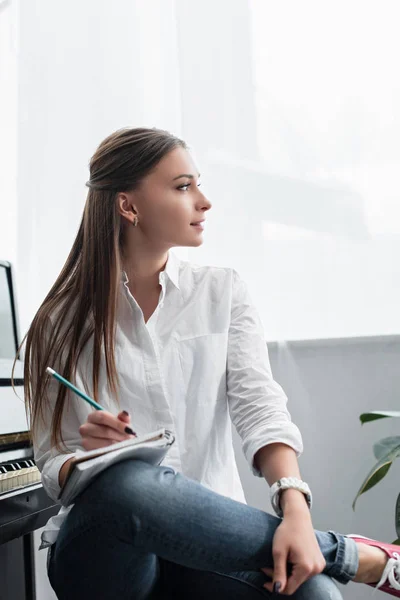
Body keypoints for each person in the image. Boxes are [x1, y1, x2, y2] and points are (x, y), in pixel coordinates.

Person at [18, 127, 400, 599]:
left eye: (198, 183)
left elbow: (260, 409)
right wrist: (88, 459)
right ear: (128, 207)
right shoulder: (59, 321)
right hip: (103, 555)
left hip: (205, 547)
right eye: (183, 186)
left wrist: (296, 512)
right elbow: (52, 462)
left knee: (316, 593)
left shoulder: (222, 292)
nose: (204, 201)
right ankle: (351, 555)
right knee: (127, 482)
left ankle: (328, 553)